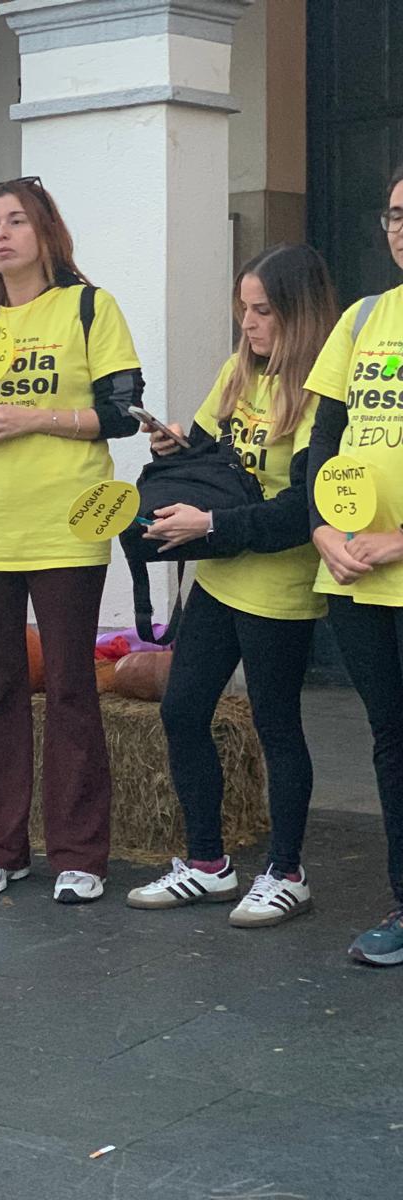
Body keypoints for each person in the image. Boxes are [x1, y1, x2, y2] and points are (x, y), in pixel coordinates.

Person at [0, 176, 145, 905]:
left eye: (15, 221)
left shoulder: (90, 307)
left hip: (67, 521)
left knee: (74, 689)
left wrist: (34, 418)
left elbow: (123, 413)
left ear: (45, 230)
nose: (1, 236)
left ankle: (80, 854)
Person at [125, 245, 336, 925]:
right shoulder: (235, 374)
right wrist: (177, 446)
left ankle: (287, 871)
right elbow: (218, 460)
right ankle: (209, 864)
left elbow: (298, 513)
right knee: (182, 710)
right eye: (242, 309)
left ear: (298, 315)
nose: (247, 324)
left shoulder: (317, 398)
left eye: (262, 311)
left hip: (278, 586)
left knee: (278, 729)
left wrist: (209, 522)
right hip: (219, 577)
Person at [304, 164, 403, 964]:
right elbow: (322, 443)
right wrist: (321, 531)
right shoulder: (365, 318)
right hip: (354, 574)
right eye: (397, 214)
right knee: (391, 738)